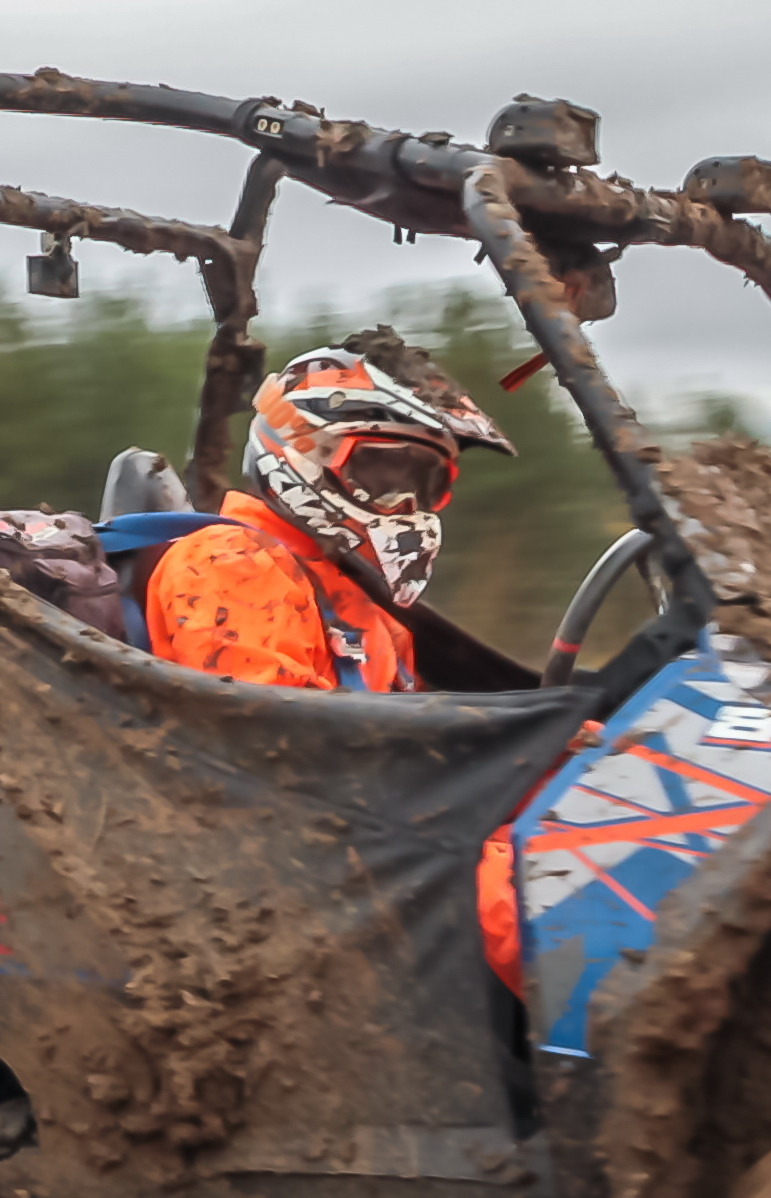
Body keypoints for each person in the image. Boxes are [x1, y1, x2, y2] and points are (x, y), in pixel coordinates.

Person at [141, 340, 539, 993]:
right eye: (385, 474)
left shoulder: (349, 592)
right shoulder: (232, 564)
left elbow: (408, 736)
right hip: (313, 872)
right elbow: (285, 771)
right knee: (572, 921)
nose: (407, 504)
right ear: (305, 448)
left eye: (426, 484)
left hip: (380, 843)